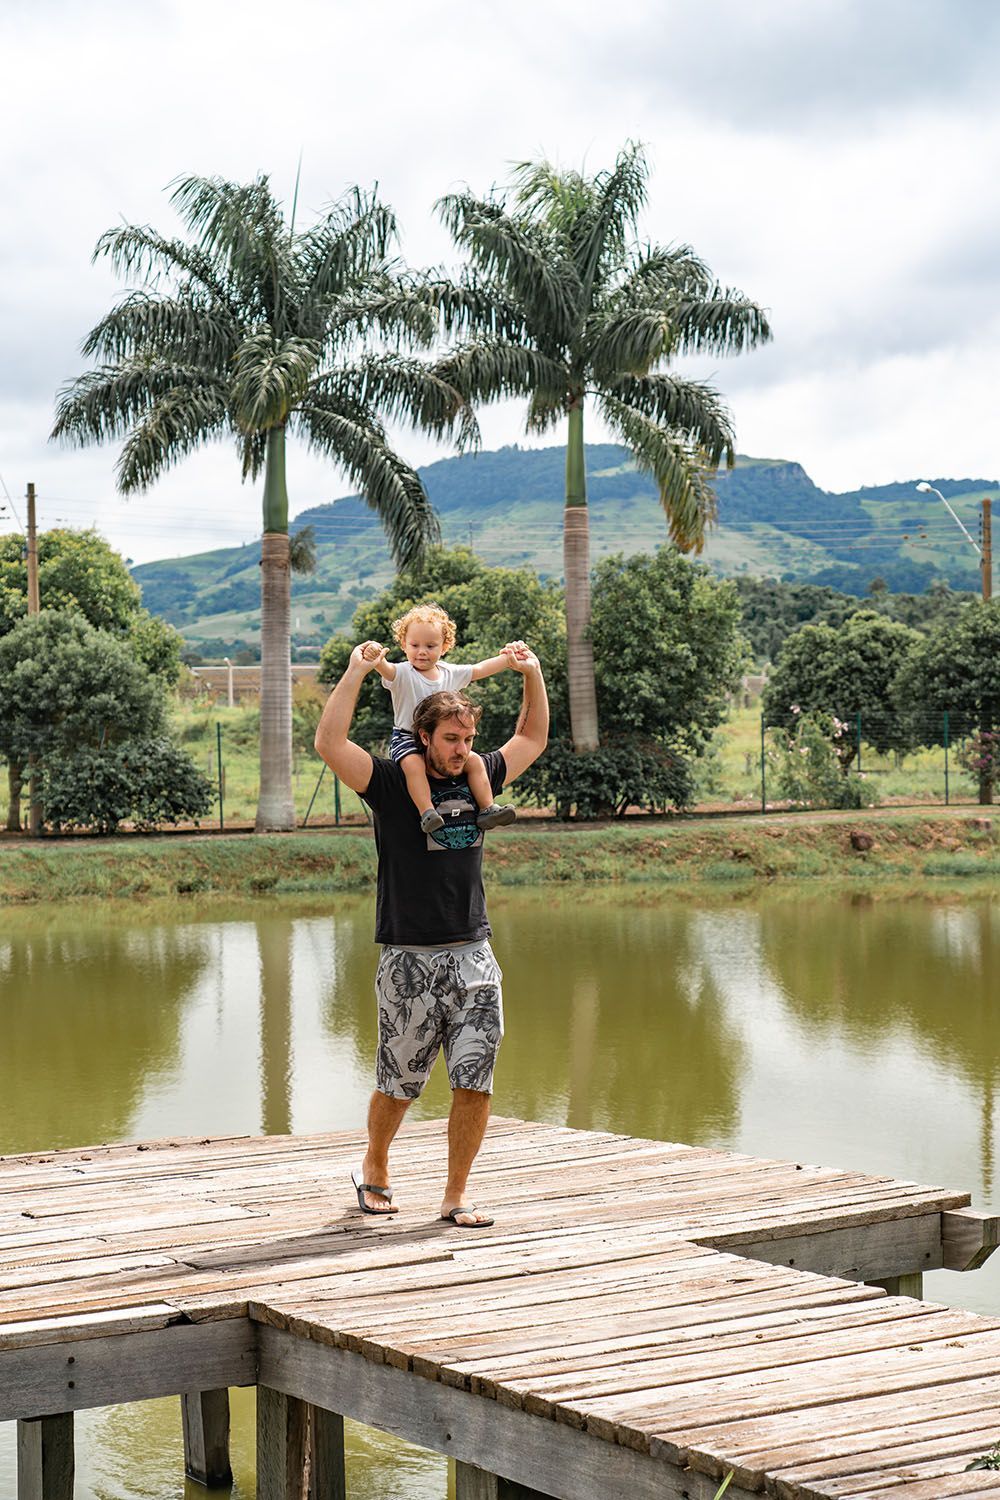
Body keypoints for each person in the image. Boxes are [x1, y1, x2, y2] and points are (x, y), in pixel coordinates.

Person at [314, 639, 548, 1227]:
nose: (461, 749)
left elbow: (531, 737)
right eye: (450, 739)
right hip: (408, 959)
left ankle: (455, 1196)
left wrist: (533, 673)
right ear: (424, 737)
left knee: (475, 1081)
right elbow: (330, 743)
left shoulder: (478, 775)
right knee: (400, 1083)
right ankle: (374, 1164)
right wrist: (356, 671)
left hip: (474, 956)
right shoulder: (391, 782)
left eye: (467, 739)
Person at [360, 602, 516, 834]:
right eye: (414, 645)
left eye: (430, 646)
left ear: (444, 646)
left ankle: (487, 808)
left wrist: (509, 658)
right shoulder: (402, 673)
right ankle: (427, 812)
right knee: (413, 765)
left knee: (474, 761)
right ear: (403, 645)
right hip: (407, 737)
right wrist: (375, 654)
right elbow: (385, 668)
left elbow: (480, 669)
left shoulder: (449, 673)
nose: (422, 651)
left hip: (442, 741)